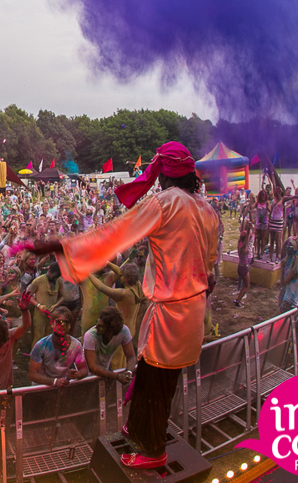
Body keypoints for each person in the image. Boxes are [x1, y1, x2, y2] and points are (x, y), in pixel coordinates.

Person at [27, 141, 218, 469]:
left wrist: (63, 247)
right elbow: (211, 267)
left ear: (164, 174)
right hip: (193, 311)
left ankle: (152, 450)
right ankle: (140, 431)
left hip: (171, 313)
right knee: (154, 379)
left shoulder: (164, 202)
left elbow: (115, 235)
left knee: (154, 385)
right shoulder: (207, 209)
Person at [28, 307, 86, 387]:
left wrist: (77, 374)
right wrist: (54, 382)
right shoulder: (41, 345)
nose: (62, 325)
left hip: (62, 387)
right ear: (52, 324)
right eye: (59, 322)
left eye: (66, 322)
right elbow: (33, 375)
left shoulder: (76, 345)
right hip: (41, 388)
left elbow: (84, 369)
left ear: (69, 326)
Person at [82, 306, 137, 384]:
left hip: (104, 375)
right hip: (85, 378)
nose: (97, 327)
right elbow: (92, 367)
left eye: (101, 326)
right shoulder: (90, 336)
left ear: (111, 329)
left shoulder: (124, 331)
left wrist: (129, 373)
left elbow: (131, 356)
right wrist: (116, 377)